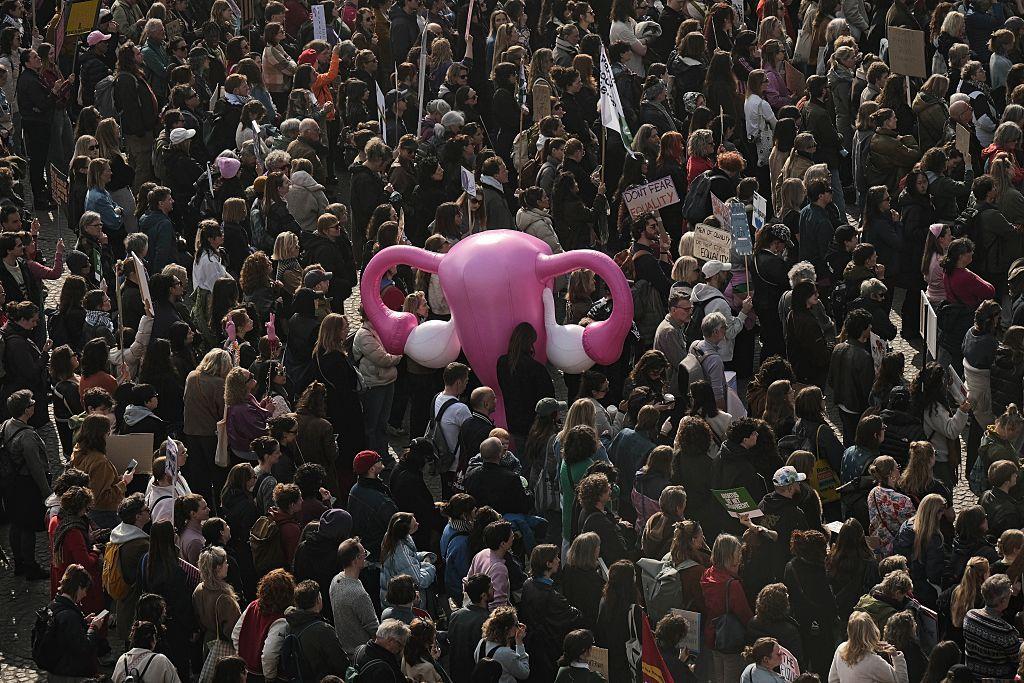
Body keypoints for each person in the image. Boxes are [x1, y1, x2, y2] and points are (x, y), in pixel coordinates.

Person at [0, 389, 51, 578]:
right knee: (27, 526)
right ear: (26, 410)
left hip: (11, 483)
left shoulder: (6, 425)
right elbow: (36, 468)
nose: (34, 406)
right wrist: (47, 492)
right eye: (31, 404)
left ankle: (19, 563)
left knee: (16, 523)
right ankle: (30, 567)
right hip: (26, 485)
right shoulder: (27, 436)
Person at [40, 564, 107, 680]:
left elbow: (65, 635)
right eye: (85, 590)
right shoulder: (69, 616)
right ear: (79, 587)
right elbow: (84, 648)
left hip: (55, 670)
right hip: (68, 674)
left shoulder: (53, 605)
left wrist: (84, 622)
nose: (85, 594)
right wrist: (93, 628)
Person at [702, 533, 754, 681]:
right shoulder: (732, 585)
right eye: (737, 553)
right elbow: (745, 615)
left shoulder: (707, 574)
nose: (740, 557)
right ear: (729, 555)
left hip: (713, 635)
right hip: (730, 639)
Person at [963, 574, 1021, 679]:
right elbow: (1018, 661)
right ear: (1002, 601)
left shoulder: (970, 616)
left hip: (972, 676)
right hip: (997, 679)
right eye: (1009, 595)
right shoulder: (1005, 631)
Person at [828, 611, 909, 682]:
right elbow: (901, 681)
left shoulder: (840, 649)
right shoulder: (873, 661)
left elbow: (832, 680)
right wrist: (896, 656)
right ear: (872, 630)